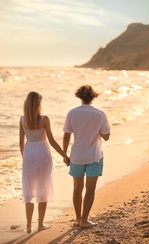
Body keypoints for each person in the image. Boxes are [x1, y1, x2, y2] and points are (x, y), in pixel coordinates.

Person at [19, 91, 70, 233]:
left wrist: (26, 158)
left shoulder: (23, 119)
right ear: (38, 104)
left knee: (28, 191)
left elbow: (21, 143)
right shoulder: (44, 119)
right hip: (42, 153)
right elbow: (52, 141)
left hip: (29, 154)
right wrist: (65, 156)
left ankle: (28, 226)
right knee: (43, 189)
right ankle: (40, 224)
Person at [63, 85, 110, 228]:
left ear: (79, 96)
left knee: (77, 188)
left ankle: (77, 219)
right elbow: (106, 137)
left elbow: (66, 135)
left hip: (76, 156)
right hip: (94, 156)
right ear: (94, 96)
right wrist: (95, 129)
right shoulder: (100, 114)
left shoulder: (72, 113)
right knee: (90, 188)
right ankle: (84, 220)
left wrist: (65, 155)